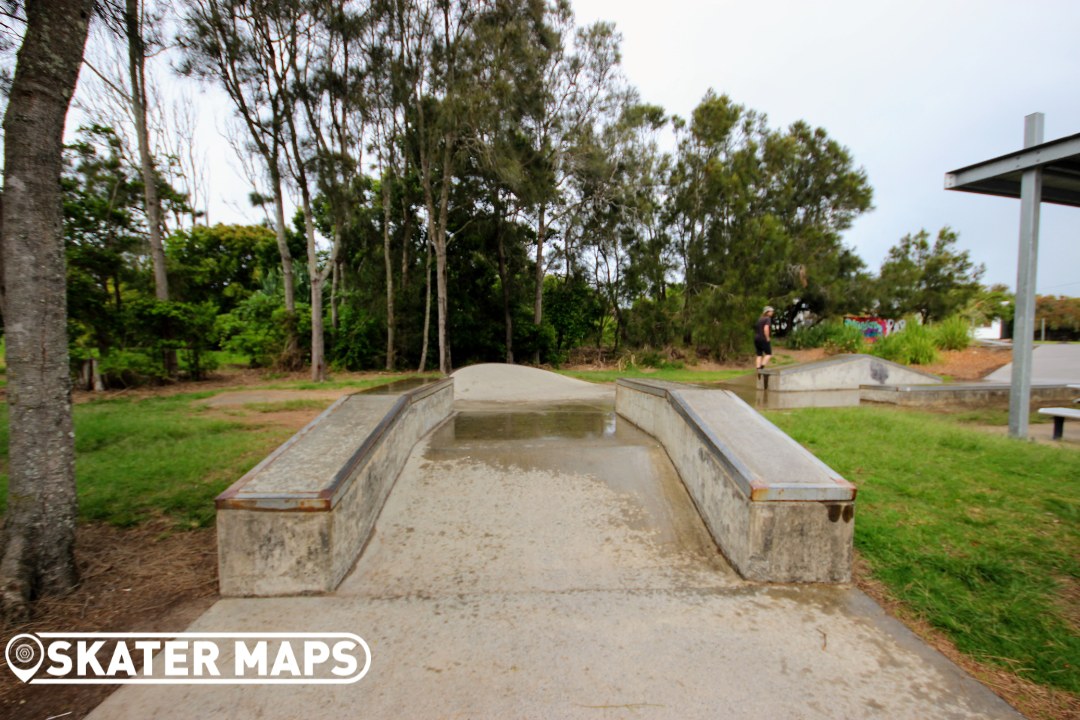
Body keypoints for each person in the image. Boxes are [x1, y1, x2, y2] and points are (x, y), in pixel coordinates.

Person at [754, 306, 775, 371]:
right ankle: (762, 368)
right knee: (768, 354)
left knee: (759, 354)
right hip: (763, 338)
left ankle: (758, 369)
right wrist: (767, 338)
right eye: (771, 311)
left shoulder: (760, 319)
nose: (772, 313)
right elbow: (766, 329)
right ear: (767, 312)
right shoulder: (767, 319)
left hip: (756, 338)